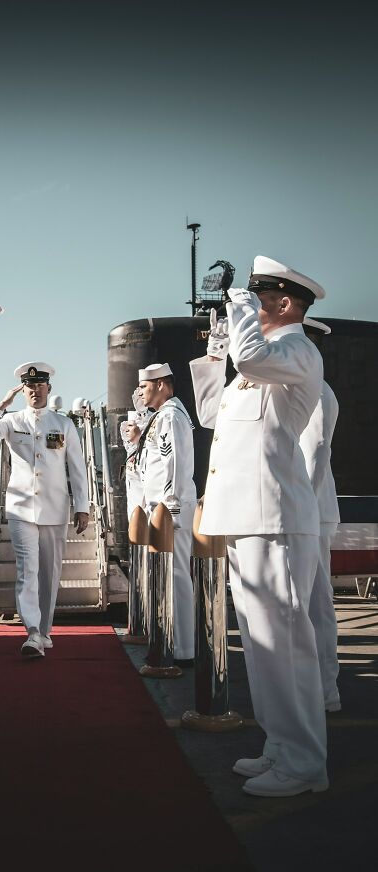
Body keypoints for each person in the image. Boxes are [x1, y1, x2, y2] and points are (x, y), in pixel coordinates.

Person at [190, 255, 327, 797]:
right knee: (262, 646)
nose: (245, 306)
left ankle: (304, 763)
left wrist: (239, 309)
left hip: (276, 518)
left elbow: (249, 357)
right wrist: (214, 347)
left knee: (285, 646)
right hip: (246, 516)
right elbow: (210, 413)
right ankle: (279, 746)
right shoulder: (260, 365)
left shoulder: (298, 351)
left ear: (285, 304)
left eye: (258, 298)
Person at [0, 361, 90, 657]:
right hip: (21, 508)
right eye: (29, 386)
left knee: (50, 572)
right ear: (22, 391)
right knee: (28, 570)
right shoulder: (12, 421)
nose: (35, 390)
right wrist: (1, 405)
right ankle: (33, 632)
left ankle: (45, 631)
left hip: (55, 508)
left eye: (39, 385)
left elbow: (77, 467)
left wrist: (82, 506)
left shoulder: (63, 424)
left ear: (49, 388)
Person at [132, 363, 196, 662]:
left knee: (177, 575)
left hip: (169, 508)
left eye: (144, 387)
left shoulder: (170, 415)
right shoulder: (162, 416)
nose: (140, 392)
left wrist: (171, 505)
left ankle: (184, 648)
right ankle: (172, 642)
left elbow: (175, 463)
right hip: (159, 508)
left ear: (160, 384)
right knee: (166, 576)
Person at [300, 318, 341, 712]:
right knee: (307, 603)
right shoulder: (305, 389)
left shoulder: (317, 392)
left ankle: (326, 690)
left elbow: (314, 454)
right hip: (304, 510)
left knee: (316, 605)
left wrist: (301, 508)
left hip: (308, 511)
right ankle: (316, 689)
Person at [119, 410, 147, 523]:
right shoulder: (131, 451)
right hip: (134, 514)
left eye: (130, 425)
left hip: (145, 515)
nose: (126, 429)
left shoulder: (147, 453)